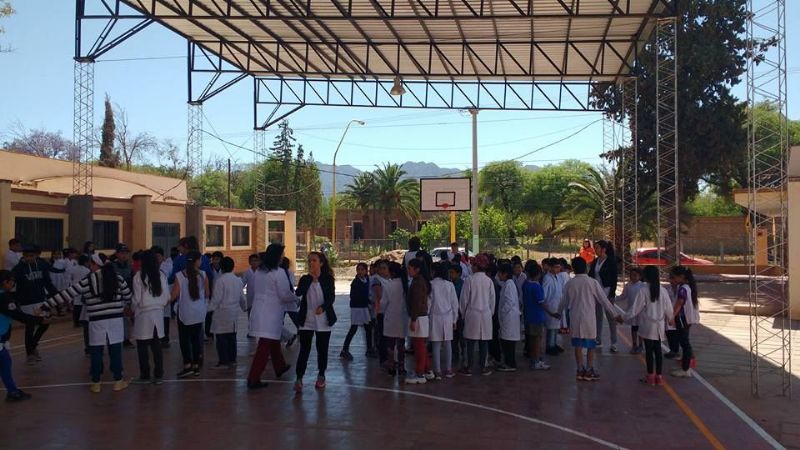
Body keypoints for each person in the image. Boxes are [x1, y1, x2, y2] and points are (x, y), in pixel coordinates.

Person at [50, 253, 132, 393]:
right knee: (115, 350)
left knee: (96, 351)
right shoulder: (117, 278)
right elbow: (128, 296)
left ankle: (96, 383)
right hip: (115, 320)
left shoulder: (87, 281)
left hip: (96, 320)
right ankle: (118, 380)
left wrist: (45, 305)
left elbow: (67, 294)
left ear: (95, 265)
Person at [558, 257, 621, 382]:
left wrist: (558, 313)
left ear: (573, 269)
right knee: (591, 345)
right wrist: (615, 315)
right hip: (588, 318)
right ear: (586, 268)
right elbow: (604, 300)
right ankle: (589, 369)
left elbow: (563, 301)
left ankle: (579, 369)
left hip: (575, 317)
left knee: (578, 345)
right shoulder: (592, 283)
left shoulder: (570, 283)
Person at [246, 244, 296, 390]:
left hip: (260, 310)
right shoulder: (278, 272)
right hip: (271, 313)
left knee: (273, 340)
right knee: (265, 345)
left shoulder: (259, 272)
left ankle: (280, 366)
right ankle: (253, 378)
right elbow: (284, 294)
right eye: (281, 254)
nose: (283, 257)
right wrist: (296, 298)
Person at [619, 266, 674, 386]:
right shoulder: (663, 290)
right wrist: (671, 319)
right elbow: (668, 308)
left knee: (649, 351)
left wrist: (623, 317)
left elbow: (635, 309)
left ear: (646, 277)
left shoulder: (643, 291)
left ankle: (650, 376)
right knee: (658, 350)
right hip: (659, 324)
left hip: (647, 325)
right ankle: (659, 377)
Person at [292, 251, 336, 392]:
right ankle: (299, 378)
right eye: (309, 260)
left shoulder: (328, 279)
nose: (311, 263)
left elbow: (331, 297)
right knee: (304, 349)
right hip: (307, 319)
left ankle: (321, 375)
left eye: (314, 260)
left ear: (321, 263)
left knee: (322, 349)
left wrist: (323, 308)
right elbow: (298, 293)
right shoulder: (305, 278)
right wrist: (309, 280)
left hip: (323, 319)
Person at [11, 245, 58, 364]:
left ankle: (33, 345)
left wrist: (56, 296)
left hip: (41, 299)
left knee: (45, 323)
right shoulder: (18, 269)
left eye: (32, 256)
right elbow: (12, 285)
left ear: (36, 256)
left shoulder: (42, 265)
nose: (29, 258)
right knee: (30, 327)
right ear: (23, 256)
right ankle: (30, 354)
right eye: (27, 256)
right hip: (26, 301)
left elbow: (47, 282)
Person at [0, 270, 41, 402]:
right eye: (11, 281)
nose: (13, 284)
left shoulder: (5, 296)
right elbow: (18, 315)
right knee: (5, 362)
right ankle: (12, 392)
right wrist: (37, 319)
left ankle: (12, 391)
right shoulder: (4, 298)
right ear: (5, 282)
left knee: (6, 362)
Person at [131, 250, 170, 385]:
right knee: (156, 345)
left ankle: (145, 374)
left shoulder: (138, 276)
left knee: (142, 346)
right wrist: (160, 305)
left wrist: (132, 309)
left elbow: (136, 298)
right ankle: (159, 374)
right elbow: (167, 296)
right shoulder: (161, 276)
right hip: (158, 313)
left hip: (143, 314)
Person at [170, 251, 209, 378]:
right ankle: (196, 366)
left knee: (184, 340)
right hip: (198, 312)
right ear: (197, 261)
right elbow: (207, 294)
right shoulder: (203, 275)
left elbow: (174, 295)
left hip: (185, 313)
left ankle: (187, 365)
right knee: (196, 339)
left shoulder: (179, 276)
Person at [458, 254, 495, 376]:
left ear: (476, 266)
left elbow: (464, 299)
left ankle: (468, 366)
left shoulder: (469, 280)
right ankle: (483, 366)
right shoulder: (489, 281)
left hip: (472, 313)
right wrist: (490, 313)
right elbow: (492, 300)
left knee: (470, 342)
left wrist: (463, 313)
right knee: (483, 341)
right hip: (485, 314)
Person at [209, 257, 246, 369]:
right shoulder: (237, 280)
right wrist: (244, 307)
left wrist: (208, 309)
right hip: (233, 312)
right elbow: (242, 297)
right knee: (231, 337)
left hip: (222, 312)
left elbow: (216, 299)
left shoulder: (220, 281)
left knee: (221, 338)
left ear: (221, 267)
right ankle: (232, 359)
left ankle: (224, 361)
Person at [429, 262, 459, 380]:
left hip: (435, 316)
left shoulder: (431, 284)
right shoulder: (449, 285)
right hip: (447, 317)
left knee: (436, 344)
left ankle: (437, 370)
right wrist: (454, 319)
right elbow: (454, 303)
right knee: (447, 344)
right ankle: (448, 369)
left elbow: (429, 303)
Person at [405, 258, 432, 384]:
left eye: (410, 268)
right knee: (422, 347)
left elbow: (416, 303)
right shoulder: (420, 281)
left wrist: (413, 319)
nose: (408, 271)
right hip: (421, 317)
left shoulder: (417, 283)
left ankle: (420, 373)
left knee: (419, 347)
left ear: (417, 269)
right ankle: (427, 370)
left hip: (418, 317)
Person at [669, 265, 699, 378]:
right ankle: (685, 366)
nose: (672, 280)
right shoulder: (686, 286)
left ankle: (685, 369)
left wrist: (671, 317)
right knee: (684, 342)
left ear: (681, 277)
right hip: (685, 319)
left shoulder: (683, 288)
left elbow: (679, 303)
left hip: (682, 318)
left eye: (674, 277)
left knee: (684, 343)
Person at [589, 240, 619, 352]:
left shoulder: (611, 261)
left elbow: (614, 278)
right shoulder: (595, 261)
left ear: (603, 249)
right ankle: (598, 338)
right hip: (596, 292)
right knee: (598, 316)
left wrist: (612, 293)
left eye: (597, 248)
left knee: (611, 317)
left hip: (607, 291)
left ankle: (614, 342)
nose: (595, 250)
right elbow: (591, 275)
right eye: (595, 248)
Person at [522, 262, 552, 370]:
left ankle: (533, 360)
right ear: (538, 274)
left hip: (528, 316)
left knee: (531, 339)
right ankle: (537, 360)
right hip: (537, 316)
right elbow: (542, 302)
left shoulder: (525, 284)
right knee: (538, 340)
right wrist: (551, 312)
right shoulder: (536, 287)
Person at [341, 262, 374, 361]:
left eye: (362, 270)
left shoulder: (367, 280)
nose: (360, 272)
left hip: (363, 307)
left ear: (366, 271)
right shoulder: (355, 283)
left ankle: (369, 349)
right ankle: (345, 349)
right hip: (357, 308)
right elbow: (354, 296)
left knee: (368, 328)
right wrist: (368, 301)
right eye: (358, 270)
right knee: (354, 328)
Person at [381, 261, 408, 376]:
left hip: (390, 317)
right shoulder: (405, 284)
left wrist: (380, 311)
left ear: (391, 273)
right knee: (401, 345)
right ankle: (402, 367)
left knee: (390, 345)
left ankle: (391, 366)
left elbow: (384, 303)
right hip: (402, 317)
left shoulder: (388, 285)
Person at [496, 263, 521, 372]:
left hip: (509, 317)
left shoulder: (509, 285)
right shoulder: (507, 284)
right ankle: (508, 362)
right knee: (506, 341)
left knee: (508, 342)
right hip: (508, 317)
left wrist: (502, 312)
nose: (498, 276)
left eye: (499, 273)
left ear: (505, 274)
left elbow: (509, 302)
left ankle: (510, 363)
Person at [615, 267, 645, 354]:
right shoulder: (628, 285)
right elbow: (624, 296)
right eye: (631, 275)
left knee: (640, 328)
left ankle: (641, 345)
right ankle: (634, 345)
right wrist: (615, 299)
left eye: (635, 275)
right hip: (631, 311)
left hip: (640, 311)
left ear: (640, 276)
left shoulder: (642, 286)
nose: (632, 277)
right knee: (634, 328)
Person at [111, 244, 135, 349]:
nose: (124, 255)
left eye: (126, 253)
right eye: (122, 253)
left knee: (126, 319)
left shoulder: (130, 266)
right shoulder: (112, 266)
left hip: (127, 295)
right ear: (117, 254)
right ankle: (114, 339)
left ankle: (126, 339)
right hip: (116, 295)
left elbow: (132, 280)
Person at [152, 246, 173, 348]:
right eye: (154, 256)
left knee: (165, 318)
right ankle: (156, 338)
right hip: (155, 297)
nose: (157, 258)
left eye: (158, 256)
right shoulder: (151, 267)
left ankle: (165, 339)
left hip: (166, 294)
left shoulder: (167, 265)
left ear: (162, 256)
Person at [448, 264, 465, 366]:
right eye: (450, 273)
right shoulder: (449, 284)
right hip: (451, 314)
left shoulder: (463, 284)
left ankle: (464, 354)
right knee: (453, 337)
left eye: (452, 273)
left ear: (458, 274)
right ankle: (455, 354)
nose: (450, 275)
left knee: (462, 336)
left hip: (460, 313)